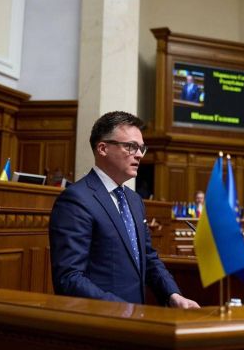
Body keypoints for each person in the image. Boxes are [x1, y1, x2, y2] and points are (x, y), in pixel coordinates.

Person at [50, 111, 199, 308]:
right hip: (103, 319)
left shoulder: (134, 200)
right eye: (131, 146)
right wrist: (122, 309)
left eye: (141, 148)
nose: (139, 154)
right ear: (103, 148)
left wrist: (173, 294)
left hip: (135, 316)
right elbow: (69, 278)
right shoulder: (76, 200)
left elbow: (148, 257)